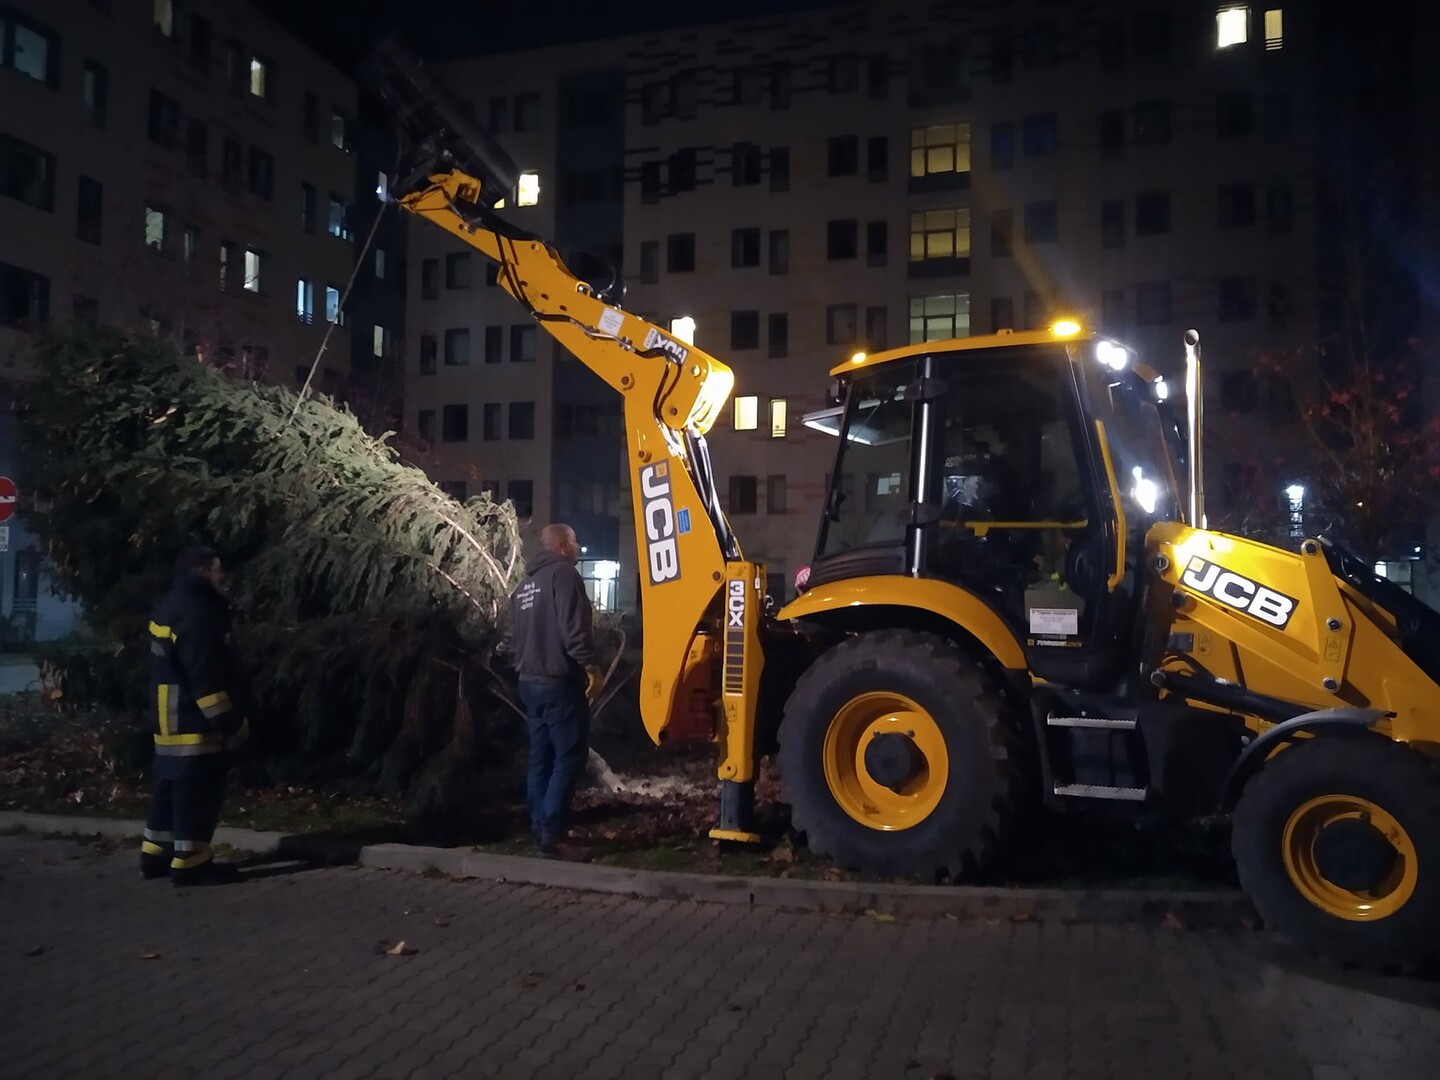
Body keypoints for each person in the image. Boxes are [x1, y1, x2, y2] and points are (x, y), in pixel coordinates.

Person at [140, 545, 250, 886]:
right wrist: (230, 724)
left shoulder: (169, 606)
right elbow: (206, 678)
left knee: (170, 789)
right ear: (203, 571)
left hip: (168, 718)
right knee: (199, 792)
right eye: (217, 569)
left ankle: (155, 853)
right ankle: (191, 863)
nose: (222, 576)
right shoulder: (199, 614)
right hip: (194, 722)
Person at [509, 523, 603, 856]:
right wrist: (591, 666)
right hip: (558, 684)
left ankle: (539, 829)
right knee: (569, 758)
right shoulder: (564, 576)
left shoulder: (524, 586)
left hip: (529, 683)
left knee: (541, 759)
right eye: (575, 541)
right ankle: (554, 835)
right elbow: (573, 629)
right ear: (562, 545)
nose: (579, 547)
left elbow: (516, 638)